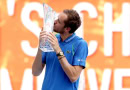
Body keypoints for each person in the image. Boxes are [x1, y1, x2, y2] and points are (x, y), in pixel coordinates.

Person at [32, 9, 88, 90]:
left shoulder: (80, 44)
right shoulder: (52, 39)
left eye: (59, 21)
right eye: (56, 18)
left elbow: (73, 76)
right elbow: (35, 72)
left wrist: (58, 50)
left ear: (67, 29)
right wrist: (41, 46)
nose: (54, 22)